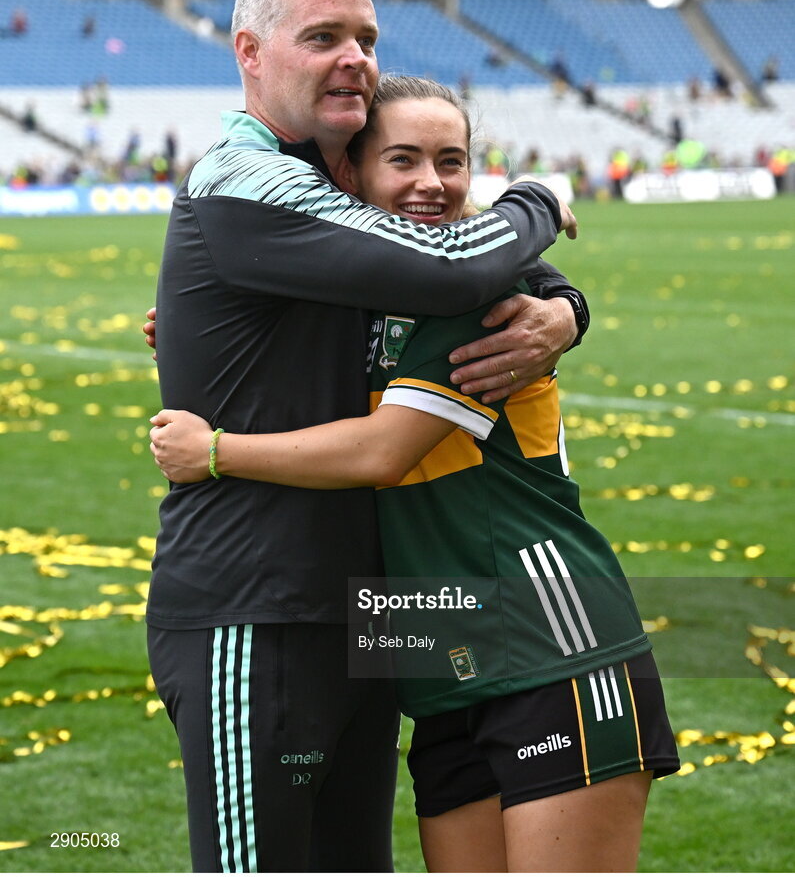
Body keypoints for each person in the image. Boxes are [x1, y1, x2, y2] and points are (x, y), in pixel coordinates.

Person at [150, 75, 679, 873]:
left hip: (546, 643)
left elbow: (381, 450)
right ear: (349, 176)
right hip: (438, 662)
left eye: (451, 161)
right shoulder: (360, 294)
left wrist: (214, 451)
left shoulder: (471, 294)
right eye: (403, 159)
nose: (431, 183)